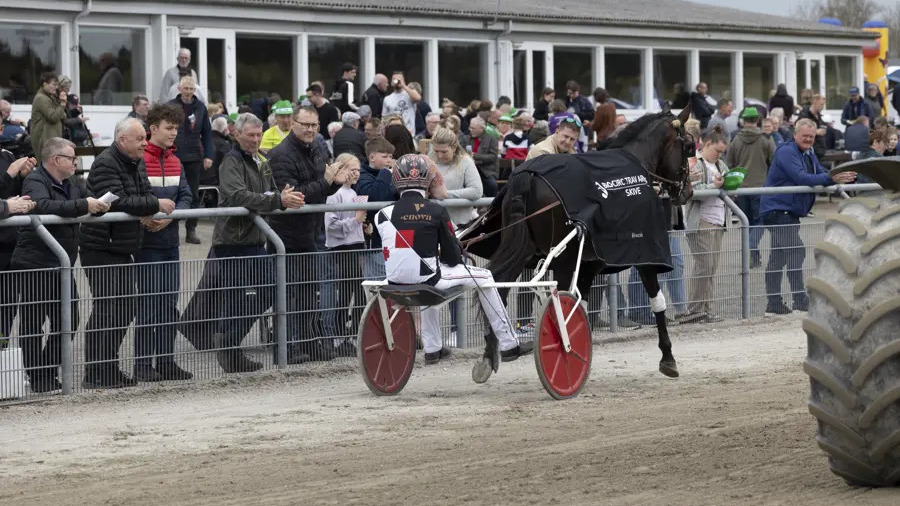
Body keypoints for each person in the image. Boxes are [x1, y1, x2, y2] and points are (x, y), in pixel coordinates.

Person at [374, 154, 532, 364]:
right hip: (429, 279)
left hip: (393, 280)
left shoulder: (381, 214)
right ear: (428, 181)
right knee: (484, 276)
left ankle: (433, 349)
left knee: (425, 276)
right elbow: (452, 257)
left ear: (396, 180)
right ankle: (509, 344)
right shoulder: (436, 211)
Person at [79, 118, 177, 389]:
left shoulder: (136, 162)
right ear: (123, 141)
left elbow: (141, 194)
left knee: (125, 308)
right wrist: (154, 204)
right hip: (101, 247)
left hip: (123, 247)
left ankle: (109, 367)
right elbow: (119, 200)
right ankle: (96, 373)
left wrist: (147, 207)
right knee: (107, 309)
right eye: (140, 139)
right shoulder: (106, 163)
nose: (145, 143)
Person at [11, 138, 107, 393]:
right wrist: (83, 205)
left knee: (69, 318)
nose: (75, 162)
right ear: (56, 160)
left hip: (62, 263)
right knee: (33, 322)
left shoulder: (73, 183)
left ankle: (47, 369)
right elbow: (42, 206)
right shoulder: (35, 180)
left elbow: (84, 200)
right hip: (35, 261)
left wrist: (97, 205)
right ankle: (38, 376)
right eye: (71, 158)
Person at [212, 113, 305, 372]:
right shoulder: (231, 161)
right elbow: (238, 195)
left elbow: (270, 192)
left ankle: (230, 342)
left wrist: (283, 197)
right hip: (233, 240)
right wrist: (278, 200)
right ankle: (229, 347)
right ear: (237, 134)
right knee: (238, 296)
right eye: (250, 135)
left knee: (268, 290)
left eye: (258, 135)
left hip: (255, 238)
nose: (255, 139)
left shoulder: (261, 160)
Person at [269, 105, 350, 362]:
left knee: (308, 292)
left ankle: (308, 343)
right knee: (289, 294)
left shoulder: (318, 147)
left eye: (314, 125)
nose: (310, 130)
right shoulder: (281, 154)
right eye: (305, 125)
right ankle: (287, 347)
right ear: (293, 123)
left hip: (312, 232)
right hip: (287, 235)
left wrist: (333, 181)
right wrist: (326, 182)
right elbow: (296, 197)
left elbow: (321, 189)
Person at [759, 119, 857, 316]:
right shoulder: (787, 152)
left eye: (811, 137)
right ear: (795, 134)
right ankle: (799, 298)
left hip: (787, 210)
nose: (808, 140)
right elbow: (801, 178)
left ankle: (774, 303)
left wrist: (836, 175)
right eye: (804, 136)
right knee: (796, 251)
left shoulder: (808, 152)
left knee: (778, 257)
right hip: (778, 211)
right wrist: (832, 178)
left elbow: (819, 173)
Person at [132, 104, 194, 382]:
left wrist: (170, 218)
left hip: (170, 243)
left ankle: (167, 362)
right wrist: (150, 216)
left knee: (168, 304)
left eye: (176, 128)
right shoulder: (138, 159)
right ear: (153, 128)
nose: (174, 133)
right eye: (169, 128)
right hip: (145, 245)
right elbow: (133, 195)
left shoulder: (176, 161)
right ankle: (143, 365)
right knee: (148, 305)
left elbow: (185, 195)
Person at [680, 126, 730, 324]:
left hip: (718, 221)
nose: (719, 155)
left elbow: (727, 181)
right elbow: (691, 189)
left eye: (721, 153)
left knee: (711, 268)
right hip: (701, 222)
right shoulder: (694, 163)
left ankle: (707, 310)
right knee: (704, 266)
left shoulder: (720, 165)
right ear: (706, 144)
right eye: (717, 151)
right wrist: (714, 187)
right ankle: (694, 310)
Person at [323, 153, 366, 356]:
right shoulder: (335, 194)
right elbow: (331, 226)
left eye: (358, 169)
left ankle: (357, 333)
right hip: (342, 248)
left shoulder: (353, 192)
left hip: (356, 245)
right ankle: (340, 337)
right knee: (346, 293)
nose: (356, 173)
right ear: (340, 169)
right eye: (352, 169)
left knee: (358, 294)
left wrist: (363, 227)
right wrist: (355, 221)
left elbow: (355, 220)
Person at [726, 107, 775, 269]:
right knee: (759, 222)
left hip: (741, 189)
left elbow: (729, 164)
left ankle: (752, 258)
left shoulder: (735, 140)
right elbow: (773, 162)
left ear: (743, 121)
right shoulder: (765, 140)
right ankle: (752, 248)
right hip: (761, 188)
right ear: (757, 121)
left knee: (746, 223)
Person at [169, 76, 212, 244]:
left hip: (194, 156)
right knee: (172, 192)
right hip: (174, 155)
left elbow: (207, 133)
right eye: (185, 89)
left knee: (193, 193)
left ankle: (191, 230)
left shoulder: (201, 107)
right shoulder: (171, 106)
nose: (188, 92)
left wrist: (208, 155)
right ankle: (171, 228)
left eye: (191, 89)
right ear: (180, 89)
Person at [0, 147, 36, 340]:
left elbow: (14, 193)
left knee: (8, 306)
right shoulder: (9, 164)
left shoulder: (6, 156)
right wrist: (9, 173)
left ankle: (2, 351)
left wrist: (22, 177)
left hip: (10, 243)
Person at [356, 136, 397, 280]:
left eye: (391, 157)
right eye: (385, 156)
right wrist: (386, 173)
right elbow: (375, 196)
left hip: (393, 237)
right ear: (372, 157)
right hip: (375, 240)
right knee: (377, 283)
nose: (389, 160)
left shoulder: (390, 175)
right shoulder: (362, 176)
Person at [429, 127, 482, 227]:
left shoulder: (466, 161)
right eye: (436, 151)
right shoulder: (429, 161)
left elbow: (477, 191)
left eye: (444, 152)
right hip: (434, 223)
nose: (439, 155)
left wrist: (446, 194)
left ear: (454, 147)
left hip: (460, 224)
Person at [30, 72, 67, 164]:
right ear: (44, 84)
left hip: (50, 139)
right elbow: (53, 117)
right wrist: (62, 104)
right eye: (53, 84)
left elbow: (63, 116)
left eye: (57, 85)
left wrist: (60, 102)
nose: (56, 87)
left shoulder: (50, 97)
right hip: (44, 139)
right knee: (48, 168)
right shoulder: (41, 98)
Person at [462, 117, 500, 196]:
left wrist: (475, 156)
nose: (470, 130)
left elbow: (493, 157)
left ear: (481, 129)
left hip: (486, 171)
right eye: (470, 127)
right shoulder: (465, 138)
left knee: (492, 185)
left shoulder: (491, 139)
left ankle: (492, 205)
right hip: (469, 170)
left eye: (473, 128)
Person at [797, 94, 827, 160]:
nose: (822, 107)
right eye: (821, 104)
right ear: (815, 102)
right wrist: (816, 132)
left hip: (820, 151)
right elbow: (799, 131)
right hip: (809, 152)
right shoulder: (804, 114)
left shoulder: (818, 115)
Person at [206, 116, 232, 188]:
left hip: (201, 180)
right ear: (225, 129)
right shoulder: (223, 144)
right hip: (216, 182)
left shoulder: (204, 141)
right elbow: (228, 166)